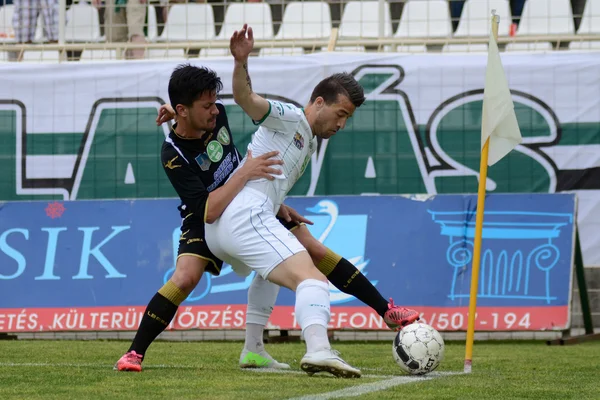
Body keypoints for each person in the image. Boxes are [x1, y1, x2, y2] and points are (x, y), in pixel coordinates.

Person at [202, 24, 418, 379]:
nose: (342, 125)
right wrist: (241, 61)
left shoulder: (308, 140)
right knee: (313, 280)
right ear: (319, 103)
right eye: (341, 114)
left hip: (230, 220)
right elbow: (245, 99)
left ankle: (253, 349)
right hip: (243, 215)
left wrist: (278, 206)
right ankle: (319, 349)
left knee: (272, 271)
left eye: (348, 118)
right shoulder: (291, 118)